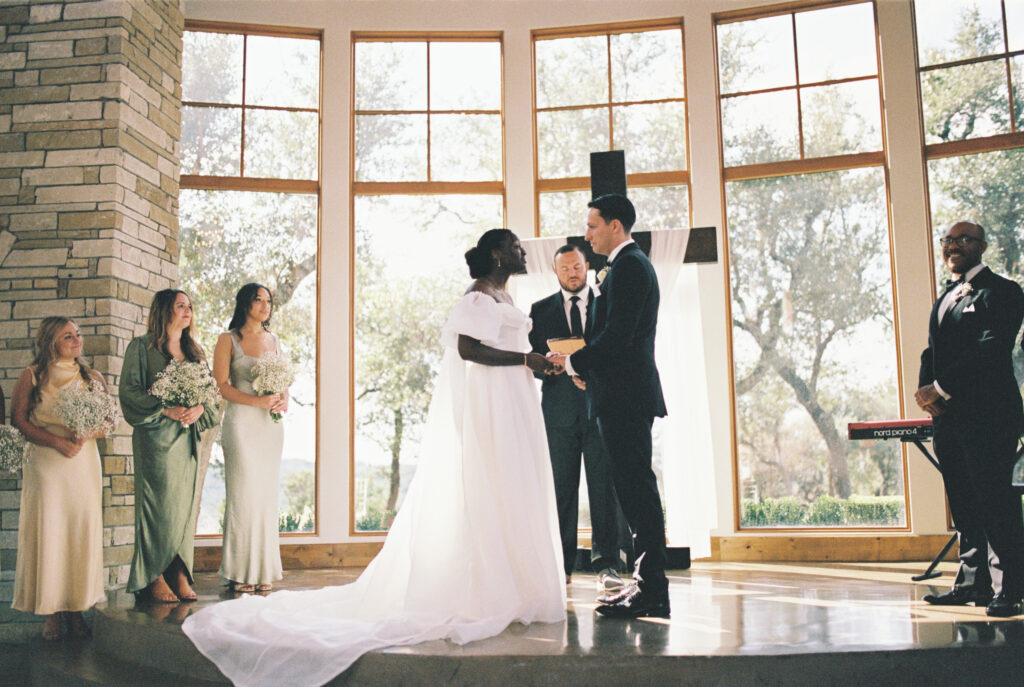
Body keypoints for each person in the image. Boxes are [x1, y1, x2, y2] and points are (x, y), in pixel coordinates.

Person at [183, 229, 565, 687]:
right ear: (499, 254)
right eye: (518, 247)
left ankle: (518, 583)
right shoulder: (479, 297)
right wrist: (527, 360)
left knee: (515, 490)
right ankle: (487, 586)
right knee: (490, 487)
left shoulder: (502, 294)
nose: (524, 252)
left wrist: (537, 362)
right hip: (493, 405)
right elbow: (467, 349)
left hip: (513, 402)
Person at [548, 194, 669, 619]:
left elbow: (619, 337)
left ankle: (653, 589)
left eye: (593, 226)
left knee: (637, 494)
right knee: (634, 492)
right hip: (620, 394)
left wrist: (575, 362)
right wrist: (589, 373)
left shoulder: (631, 267)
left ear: (616, 226)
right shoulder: (624, 267)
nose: (587, 234)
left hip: (627, 399)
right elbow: (619, 342)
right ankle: (647, 585)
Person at [915, 221, 1024, 618]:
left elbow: (991, 349)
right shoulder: (944, 297)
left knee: (994, 499)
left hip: (990, 415)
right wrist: (925, 390)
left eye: (963, 239)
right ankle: (971, 584)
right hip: (949, 419)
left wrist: (941, 387)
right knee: (963, 502)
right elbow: (932, 351)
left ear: (982, 245)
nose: (953, 246)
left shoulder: (1005, 292)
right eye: (948, 240)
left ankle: (1009, 588)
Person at [529, 243, 629, 591]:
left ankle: (607, 566)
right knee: (560, 492)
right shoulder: (538, 311)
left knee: (604, 490)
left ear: (587, 266)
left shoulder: (607, 304)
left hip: (601, 409)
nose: (572, 273)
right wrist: (551, 366)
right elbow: (532, 362)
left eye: (577, 266)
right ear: (555, 272)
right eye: (565, 268)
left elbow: (617, 351)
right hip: (558, 415)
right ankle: (561, 567)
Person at [10, 317, 109, 640]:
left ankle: (76, 609)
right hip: (47, 464)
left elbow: (109, 421)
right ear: (51, 341)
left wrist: (84, 436)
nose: (76, 340)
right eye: (68, 336)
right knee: (51, 534)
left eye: (77, 335)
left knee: (78, 535)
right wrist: (56, 441)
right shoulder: (33, 376)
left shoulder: (91, 377)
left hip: (82, 465)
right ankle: (50, 612)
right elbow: (19, 421)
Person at [120, 289, 219, 604]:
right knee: (159, 507)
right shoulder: (142, 348)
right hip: (156, 440)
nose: (188, 310)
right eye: (180, 305)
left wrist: (200, 408)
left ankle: (179, 571)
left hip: (187, 440)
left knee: (184, 509)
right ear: (164, 311)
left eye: (190, 305)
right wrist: (165, 409)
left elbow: (211, 397)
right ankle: (154, 575)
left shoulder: (195, 352)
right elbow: (129, 392)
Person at [213, 283, 288, 593]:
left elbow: (283, 382)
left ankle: (263, 569)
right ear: (245, 303)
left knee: (265, 497)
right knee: (243, 495)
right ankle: (240, 570)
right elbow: (221, 385)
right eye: (258, 300)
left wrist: (283, 399)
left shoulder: (274, 340)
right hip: (242, 424)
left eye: (268, 301)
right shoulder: (228, 340)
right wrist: (256, 401)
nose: (265, 305)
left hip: (270, 427)